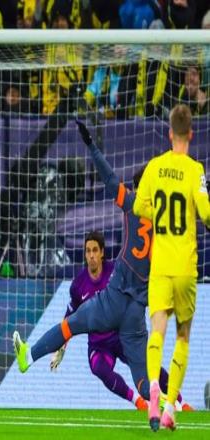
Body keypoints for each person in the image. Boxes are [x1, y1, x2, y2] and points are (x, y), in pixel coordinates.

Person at [12, 119, 192, 411]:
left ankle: (28, 357)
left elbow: (109, 179)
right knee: (142, 375)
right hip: (136, 310)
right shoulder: (167, 221)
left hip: (112, 299)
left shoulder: (132, 203)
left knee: (70, 325)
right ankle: (159, 398)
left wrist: (91, 146)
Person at [133, 104, 210, 431]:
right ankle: (168, 408)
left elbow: (139, 206)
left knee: (157, 330)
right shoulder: (195, 170)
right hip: (185, 269)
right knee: (182, 336)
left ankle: (153, 387)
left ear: (169, 133)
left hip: (161, 266)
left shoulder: (154, 167)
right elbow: (206, 214)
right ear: (190, 133)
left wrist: (158, 215)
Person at [50, 231, 148, 410]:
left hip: (121, 337)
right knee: (98, 368)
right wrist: (61, 348)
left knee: (148, 366)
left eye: (95, 250)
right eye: (88, 251)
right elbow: (69, 318)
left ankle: (179, 401)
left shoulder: (116, 272)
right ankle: (138, 402)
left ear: (102, 252)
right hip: (99, 344)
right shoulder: (78, 285)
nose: (91, 255)